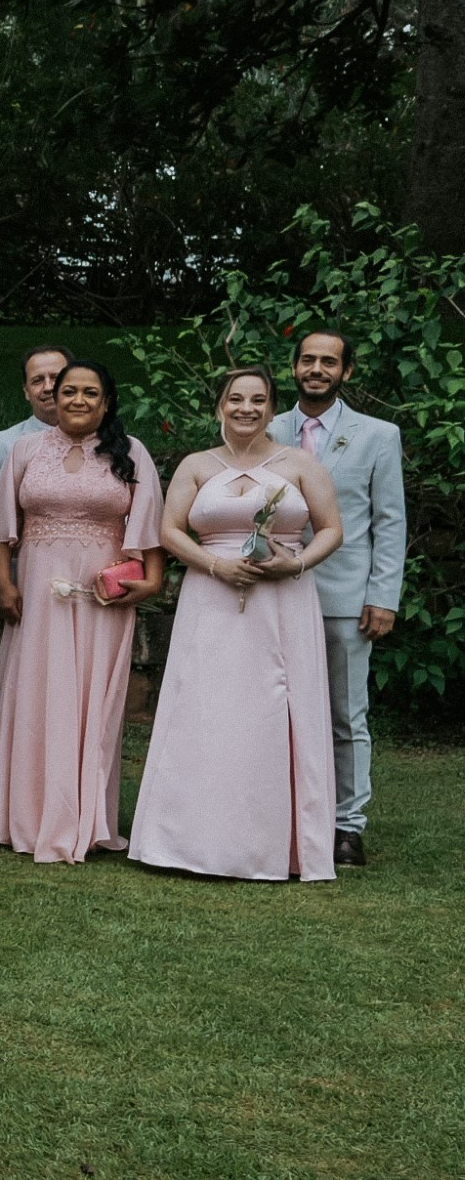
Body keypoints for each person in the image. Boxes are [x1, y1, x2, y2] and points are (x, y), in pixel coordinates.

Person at [131, 367, 342, 881]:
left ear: (272, 408)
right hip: (211, 598)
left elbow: (331, 529)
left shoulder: (299, 464)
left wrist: (296, 563)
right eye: (236, 399)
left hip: (282, 600)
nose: (246, 408)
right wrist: (215, 565)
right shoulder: (197, 465)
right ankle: (187, 841)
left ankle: (273, 845)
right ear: (220, 405)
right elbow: (169, 530)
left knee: (274, 709)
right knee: (205, 706)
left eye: (258, 399)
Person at [0, 360, 166, 863]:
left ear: (107, 401)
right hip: (36, 592)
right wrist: (5, 584)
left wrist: (145, 584)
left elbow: (149, 532)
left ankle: (83, 818)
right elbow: (0, 528)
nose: (78, 400)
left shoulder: (131, 453)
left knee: (90, 698)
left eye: (90, 393)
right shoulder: (25, 450)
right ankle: (24, 813)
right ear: (53, 398)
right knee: (35, 691)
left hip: (101, 597)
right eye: (68, 391)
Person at [270, 329, 407, 866]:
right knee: (272, 707)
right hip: (273, 590)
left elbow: (389, 521)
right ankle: (281, 814)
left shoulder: (378, 435)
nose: (316, 369)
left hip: (344, 596)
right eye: (307, 360)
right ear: (294, 367)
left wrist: (383, 595)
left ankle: (347, 825)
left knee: (346, 717)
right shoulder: (267, 427)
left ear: (346, 371)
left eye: (328, 362)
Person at [0, 343, 73, 621]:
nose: (48, 387)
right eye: (37, 380)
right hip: (28, 582)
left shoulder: (108, 443)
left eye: (56, 378)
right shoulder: (3, 446)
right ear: (26, 391)